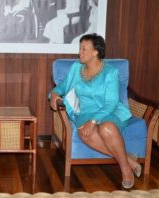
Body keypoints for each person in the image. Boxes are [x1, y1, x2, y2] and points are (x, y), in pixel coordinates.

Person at [49, 33, 141, 189]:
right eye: (80, 48)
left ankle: (125, 169)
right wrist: (54, 94)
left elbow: (111, 103)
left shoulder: (110, 73)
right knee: (84, 133)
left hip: (111, 112)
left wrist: (94, 122)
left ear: (96, 52)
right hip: (84, 114)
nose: (80, 52)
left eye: (84, 49)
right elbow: (61, 87)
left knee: (106, 128)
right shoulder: (76, 68)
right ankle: (129, 160)